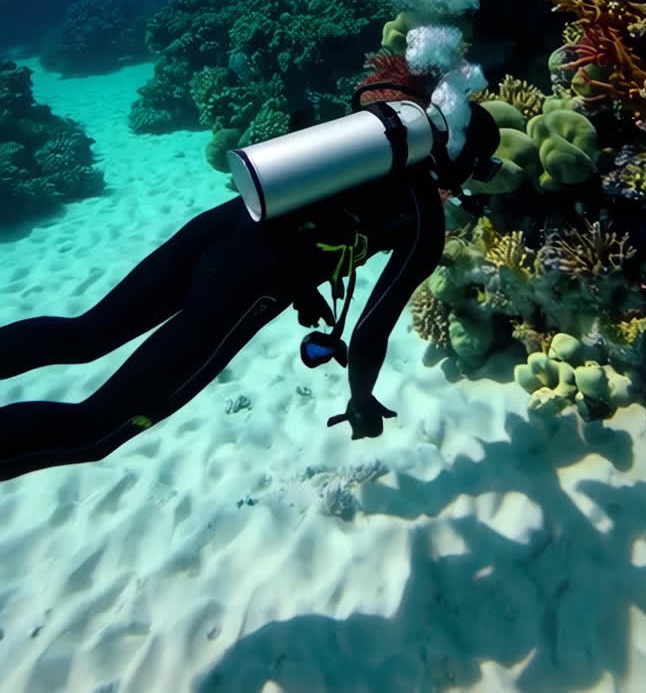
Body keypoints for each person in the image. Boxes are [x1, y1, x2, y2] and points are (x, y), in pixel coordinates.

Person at [0, 81, 499, 482]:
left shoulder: (377, 139)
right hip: (247, 283)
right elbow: (371, 330)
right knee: (99, 427)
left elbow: (305, 213)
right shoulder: (424, 222)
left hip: (222, 225)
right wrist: (361, 399)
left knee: (83, 334)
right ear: (461, 160)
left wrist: (307, 287)